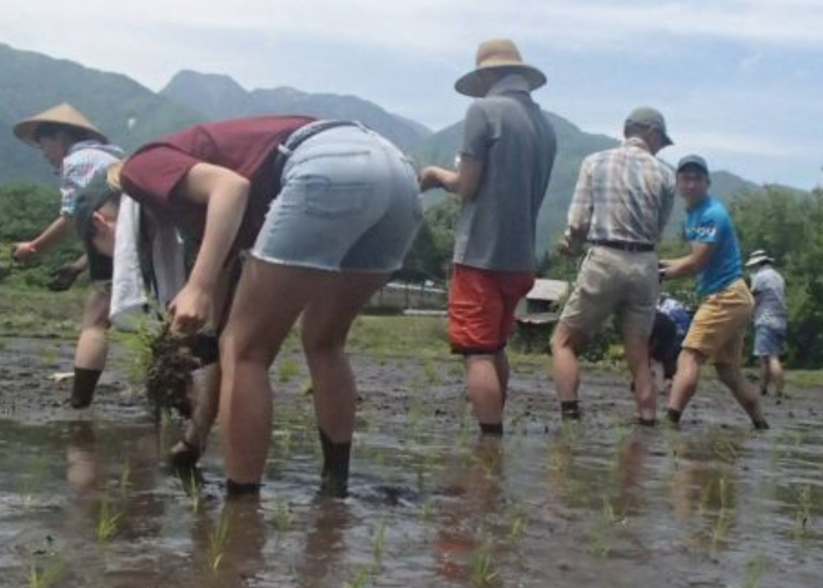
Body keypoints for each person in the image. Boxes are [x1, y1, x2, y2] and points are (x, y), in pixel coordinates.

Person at [78, 115, 422, 498]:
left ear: (106, 222)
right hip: (398, 175)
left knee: (248, 352)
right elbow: (223, 338)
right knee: (321, 340)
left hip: (328, 166)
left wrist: (198, 284)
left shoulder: (139, 169)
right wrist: (192, 441)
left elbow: (230, 186)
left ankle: (242, 507)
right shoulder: (213, 220)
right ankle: (334, 487)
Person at [418, 39, 557, 437]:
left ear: (489, 75)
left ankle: (490, 442)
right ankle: (494, 426)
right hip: (520, 259)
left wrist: (433, 175)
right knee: (495, 347)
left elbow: (466, 185)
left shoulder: (483, 111)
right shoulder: (545, 125)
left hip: (481, 254)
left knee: (476, 352)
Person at [550, 106, 675, 425]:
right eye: (661, 139)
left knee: (561, 342)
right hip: (645, 263)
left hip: (606, 257)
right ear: (650, 132)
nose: (660, 145)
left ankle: (570, 414)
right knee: (638, 351)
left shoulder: (595, 162)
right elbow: (659, 228)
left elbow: (578, 223)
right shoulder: (665, 174)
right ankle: (647, 418)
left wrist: (571, 245)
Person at [10, 103, 124, 409]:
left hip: (122, 241)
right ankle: (181, 400)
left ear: (60, 137)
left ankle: (79, 402)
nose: (43, 153)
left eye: (43, 144)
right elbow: (110, 229)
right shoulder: (113, 158)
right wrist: (77, 266)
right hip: (142, 239)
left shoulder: (78, 161)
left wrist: (33, 248)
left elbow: (73, 217)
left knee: (96, 321)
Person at [660, 155, 769, 430]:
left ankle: (671, 420)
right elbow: (691, 258)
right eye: (686, 178)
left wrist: (660, 274)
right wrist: (659, 264)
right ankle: (761, 424)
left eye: (698, 178)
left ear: (707, 183)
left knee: (689, 356)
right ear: (678, 184)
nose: (692, 183)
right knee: (728, 371)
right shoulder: (694, 214)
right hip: (734, 297)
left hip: (725, 297)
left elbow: (696, 264)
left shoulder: (711, 214)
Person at [746, 250, 787, 401]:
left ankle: (779, 390)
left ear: (758, 263)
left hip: (766, 319)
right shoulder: (778, 276)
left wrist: (748, 315)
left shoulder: (760, 277)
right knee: (768, 356)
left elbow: (754, 299)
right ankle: (763, 387)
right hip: (780, 320)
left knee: (769, 357)